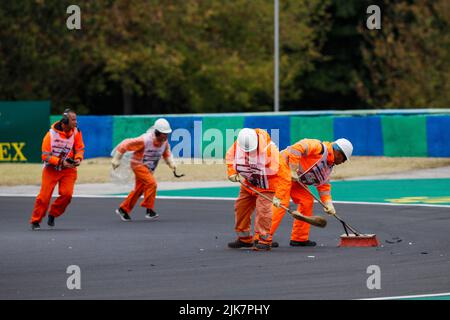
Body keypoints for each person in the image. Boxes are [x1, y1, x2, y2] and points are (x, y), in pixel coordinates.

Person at [269, 138, 353, 246]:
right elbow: (297, 148)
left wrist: (328, 203)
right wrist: (293, 169)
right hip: (282, 167)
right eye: (344, 158)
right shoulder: (319, 148)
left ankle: (299, 238)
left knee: (306, 200)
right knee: (281, 201)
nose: (343, 162)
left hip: (294, 178)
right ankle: (263, 237)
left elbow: (323, 186)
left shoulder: (328, 166)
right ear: (338, 152)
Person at [225, 128, 291, 251]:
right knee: (240, 208)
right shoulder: (238, 145)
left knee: (263, 212)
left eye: (252, 150)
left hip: (267, 186)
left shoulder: (271, 150)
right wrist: (232, 172)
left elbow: (285, 176)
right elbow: (230, 157)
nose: (249, 153)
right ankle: (244, 239)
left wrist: (279, 197)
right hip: (248, 183)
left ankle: (264, 241)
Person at [111, 118, 176, 221]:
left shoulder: (164, 142)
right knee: (152, 183)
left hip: (149, 168)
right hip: (138, 165)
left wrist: (171, 163)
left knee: (139, 190)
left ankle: (123, 209)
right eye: (164, 133)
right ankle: (149, 210)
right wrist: (117, 158)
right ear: (158, 132)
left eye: (167, 133)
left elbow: (166, 153)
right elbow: (126, 144)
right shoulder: (145, 140)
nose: (166, 136)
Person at [29, 109, 85, 230]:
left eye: (76, 119)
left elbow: (80, 148)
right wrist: (60, 161)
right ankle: (35, 221)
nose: (76, 122)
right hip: (51, 169)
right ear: (65, 121)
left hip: (69, 169)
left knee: (67, 195)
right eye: (73, 119)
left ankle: (53, 214)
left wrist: (78, 159)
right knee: (44, 197)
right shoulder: (50, 135)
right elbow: (45, 156)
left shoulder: (77, 132)